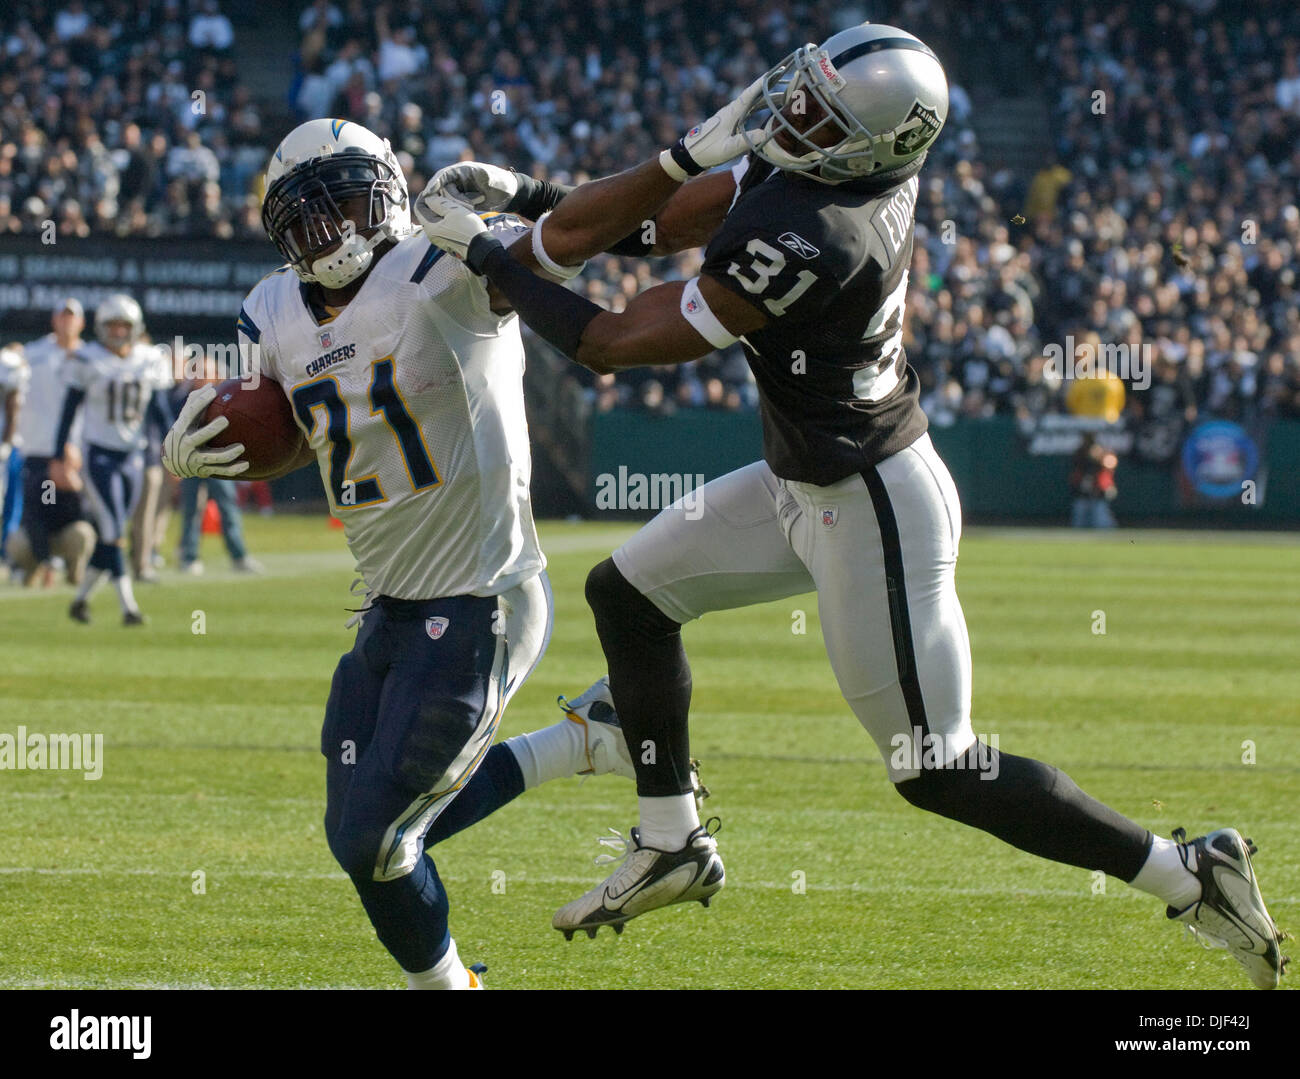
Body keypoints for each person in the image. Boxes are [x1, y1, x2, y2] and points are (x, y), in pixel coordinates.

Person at [417, 22, 1287, 988]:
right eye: (803, 94)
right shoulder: (837, 163)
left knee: (935, 765)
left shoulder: (821, 234)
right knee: (627, 595)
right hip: (808, 476)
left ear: (868, 145)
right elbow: (662, 222)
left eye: (820, 115)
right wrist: (540, 203)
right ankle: (671, 837)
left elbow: (617, 341)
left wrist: (501, 260)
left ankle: (1188, 875)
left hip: (870, 503)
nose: (792, 118)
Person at [160, 118, 663, 990]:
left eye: (340, 202)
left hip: (482, 595)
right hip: (386, 602)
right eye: (303, 217)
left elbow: (574, 233)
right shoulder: (272, 307)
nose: (325, 231)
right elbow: (295, 430)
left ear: (384, 188)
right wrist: (206, 444)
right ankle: (586, 740)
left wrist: (631, 172)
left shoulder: (442, 265)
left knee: (378, 839)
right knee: (358, 830)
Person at [55, 295, 173, 626]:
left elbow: (161, 413)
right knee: (113, 530)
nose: (119, 331)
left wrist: (175, 449)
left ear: (136, 329)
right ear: (101, 327)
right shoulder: (87, 359)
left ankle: (80, 601)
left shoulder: (149, 359)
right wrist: (59, 453)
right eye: (113, 325)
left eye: (125, 325)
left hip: (134, 457)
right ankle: (129, 608)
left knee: (112, 534)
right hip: (99, 455)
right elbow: (67, 412)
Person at [14, 299, 88, 581]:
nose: (67, 322)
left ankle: (79, 568)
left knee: (80, 519)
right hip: (39, 451)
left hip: (75, 455)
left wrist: (76, 449)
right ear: (54, 320)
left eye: (73, 317)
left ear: (80, 323)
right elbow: (12, 364)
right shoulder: (34, 353)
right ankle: (40, 566)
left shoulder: (89, 358)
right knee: (34, 515)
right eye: (63, 316)